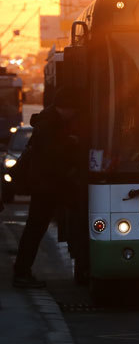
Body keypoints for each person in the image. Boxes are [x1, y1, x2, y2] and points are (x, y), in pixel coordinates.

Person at [12, 88, 78, 288]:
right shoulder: (51, 124)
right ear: (65, 108)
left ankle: (22, 272)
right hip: (46, 186)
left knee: (34, 229)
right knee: (35, 229)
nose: (74, 114)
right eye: (73, 110)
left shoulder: (47, 120)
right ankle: (22, 273)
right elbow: (51, 158)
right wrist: (70, 143)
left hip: (44, 184)